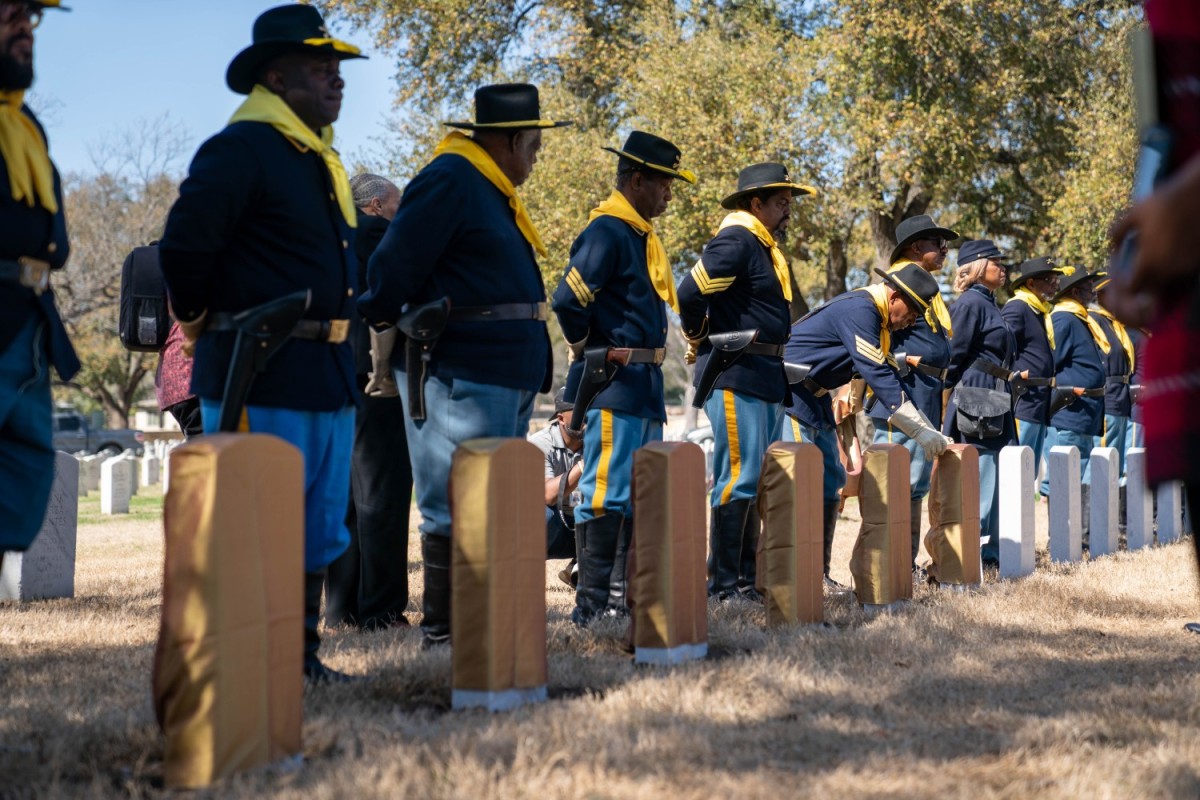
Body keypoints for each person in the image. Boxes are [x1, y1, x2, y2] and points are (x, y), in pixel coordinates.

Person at [158, 4, 366, 683]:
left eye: (338, 70)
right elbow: (185, 251)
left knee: (317, 526)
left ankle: (298, 659)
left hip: (326, 370)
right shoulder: (240, 148)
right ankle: (251, 662)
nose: (336, 81)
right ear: (275, 77)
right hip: (262, 370)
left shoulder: (313, 158)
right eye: (319, 69)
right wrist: (204, 326)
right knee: (256, 527)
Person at [359, 83, 569, 647]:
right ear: (509, 141)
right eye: (533, 145)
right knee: (454, 504)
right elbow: (389, 273)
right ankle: (447, 634)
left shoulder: (489, 187)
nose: (536, 157)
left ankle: (482, 628)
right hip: (457, 368)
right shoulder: (450, 178)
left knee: (488, 505)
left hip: (500, 369)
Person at [551, 130, 695, 625]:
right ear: (636, 180)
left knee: (632, 491)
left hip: (644, 384)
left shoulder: (639, 236)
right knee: (604, 489)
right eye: (663, 183)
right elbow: (568, 300)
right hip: (614, 382)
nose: (669, 194)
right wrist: (584, 348)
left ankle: (619, 597)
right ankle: (594, 603)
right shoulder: (608, 231)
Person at [676, 162, 813, 601]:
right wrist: (700, 338)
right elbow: (688, 294)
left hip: (764, 375)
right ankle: (723, 585)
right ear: (756, 204)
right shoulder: (737, 240)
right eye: (781, 203)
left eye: (789, 204)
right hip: (737, 374)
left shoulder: (762, 245)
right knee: (738, 478)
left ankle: (743, 581)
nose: (788, 212)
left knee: (754, 479)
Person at [783, 263, 948, 588]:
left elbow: (884, 369)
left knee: (831, 480)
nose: (913, 320)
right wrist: (921, 430)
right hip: (791, 393)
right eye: (913, 310)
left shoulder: (878, 321)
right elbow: (881, 377)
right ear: (895, 295)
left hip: (814, 396)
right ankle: (792, 575)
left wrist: (925, 427)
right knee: (800, 484)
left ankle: (818, 574)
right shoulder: (862, 309)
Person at [0, 0, 78, 562]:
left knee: (16, 490)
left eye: (31, 15)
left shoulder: (25, 124)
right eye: (7, 12)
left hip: (26, 324)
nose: (24, 26)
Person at [324, 173, 413, 631]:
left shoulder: (336, 235)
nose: (402, 211)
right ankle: (381, 608)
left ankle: (341, 607)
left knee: (347, 497)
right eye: (398, 202)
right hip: (377, 375)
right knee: (384, 493)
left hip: (340, 372)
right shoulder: (379, 233)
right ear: (377, 205)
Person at [868, 214, 958, 574]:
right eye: (938, 243)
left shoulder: (925, 288)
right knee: (895, 484)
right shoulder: (900, 286)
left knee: (916, 485)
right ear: (917, 247)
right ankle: (885, 567)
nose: (944, 250)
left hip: (926, 392)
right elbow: (875, 342)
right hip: (901, 395)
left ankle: (903, 567)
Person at [941, 240, 1017, 567]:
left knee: (997, 475)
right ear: (977, 266)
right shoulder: (971, 303)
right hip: (977, 393)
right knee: (983, 474)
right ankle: (971, 556)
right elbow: (953, 357)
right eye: (996, 261)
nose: (1003, 267)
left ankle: (991, 554)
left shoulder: (989, 302)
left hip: (995, 391)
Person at [1048, 265, 1108, 541]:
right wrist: (1071, 389)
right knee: (1064, 475)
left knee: (1081, 472)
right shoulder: (1064, 319)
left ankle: (1078, 536)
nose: (1093, 291)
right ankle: (1061, 536)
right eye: (1088, 286)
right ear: (1074, 291)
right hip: (1070, 409)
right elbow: (1052, 363)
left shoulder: (1080, 318)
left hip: (1086, 411)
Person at [1000, 256, 1065, 492]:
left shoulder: (1038, 311)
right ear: (1030, 284)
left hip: (1039, 398)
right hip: (1024, 398)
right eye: (1048, 280)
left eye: (1055, 279)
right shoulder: (1017, 307)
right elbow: (1002, 346)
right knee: (1017, 468)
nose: (1054, 285)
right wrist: (1014, 377)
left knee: (1029, 470)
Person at [527, 388, 583, 586]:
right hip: (551, 526)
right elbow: (548, 495)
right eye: (581, 412)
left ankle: (577, 569)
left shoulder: (599, 443)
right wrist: (583, 465)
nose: (588, 418)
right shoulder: (539, 444)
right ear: (561, 418)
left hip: (583, 527)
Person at [1090, 277, 1136, 478]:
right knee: (1102, 462)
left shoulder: (1113, 323)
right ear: (1101, 295)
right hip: (1108, 397)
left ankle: (1111, 507)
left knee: (1114, 465)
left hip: (1121, 397)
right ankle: (1093, 509)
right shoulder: (1094, 319)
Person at [155, 323, 202, 438]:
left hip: (170, 386)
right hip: (190, 382)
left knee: (196, 440)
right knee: (202, 445)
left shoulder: (173, 311)